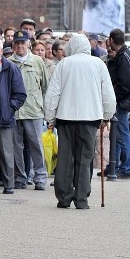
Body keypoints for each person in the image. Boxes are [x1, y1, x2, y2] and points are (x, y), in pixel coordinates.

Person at [44, 34, 116, 209]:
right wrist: (107, 116)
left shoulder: (64, 64)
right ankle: (82, 198)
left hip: (65, 117)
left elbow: (53, 94)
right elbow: (107, 94)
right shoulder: (98, 64)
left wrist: (50, 118)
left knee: (65, 158)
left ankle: (64, 197)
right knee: (85, 159)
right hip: (90, 118)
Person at [0, 37, 26, 194]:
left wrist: (10, 108)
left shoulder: (10, 67)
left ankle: (9, 185)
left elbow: (20, 94)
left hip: (3, 116)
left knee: (6, 152)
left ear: (1, 50)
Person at [9, 30, 49, 190]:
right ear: (13, 44)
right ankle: (20, 178)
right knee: (16, 147)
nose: (20, 45)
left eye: (22, 42)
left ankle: (40, 178)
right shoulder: (9, 62)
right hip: (15, 111)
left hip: (33, 110)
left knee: (36, 145)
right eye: (17, 42)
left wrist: (43, 107)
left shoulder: (38, 61)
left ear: (28, 44)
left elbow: (45, 86)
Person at [106, 29, 130, 180]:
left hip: (121, 102)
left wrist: (114, 98)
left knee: (122, 134)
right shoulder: (124, 54)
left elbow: (125, 85)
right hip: (122, 101)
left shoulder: (123, 56)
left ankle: (125, 168)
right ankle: (114, 165)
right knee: (117, 134)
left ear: (111, 40)